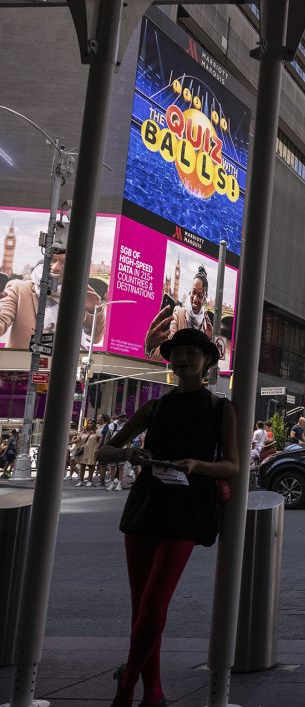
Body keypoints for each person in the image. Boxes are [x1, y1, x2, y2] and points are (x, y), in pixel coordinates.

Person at [97, 327, 238, 707]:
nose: (184, 358)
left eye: (193, 352)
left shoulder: (219, 408)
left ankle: (126, 687)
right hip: (146, 503)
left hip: (187, 509)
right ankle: (153, 693)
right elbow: (105, 453)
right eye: (178, 352)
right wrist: (129, 455)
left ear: (208, 361)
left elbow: (232, 466)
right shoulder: (154, 407)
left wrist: (197, 465)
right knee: (141, 607)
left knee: (154, 607)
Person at [0, 251, 105, 349]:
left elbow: (95, 339)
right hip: (23, 366)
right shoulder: (19, 290)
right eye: (53, 260)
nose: (56, 267)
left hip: (66, 367)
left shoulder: (81, 295)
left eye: (64, 262)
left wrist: (94, 311)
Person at [144, 267, 213, 358]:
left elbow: (205, 365)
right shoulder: (178, 313)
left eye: (200, 295)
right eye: (193, 292)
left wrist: (207, 342)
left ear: (205, 298)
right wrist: (150, 347)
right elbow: (166, 349)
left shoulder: (206, 326)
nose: (195, 299)